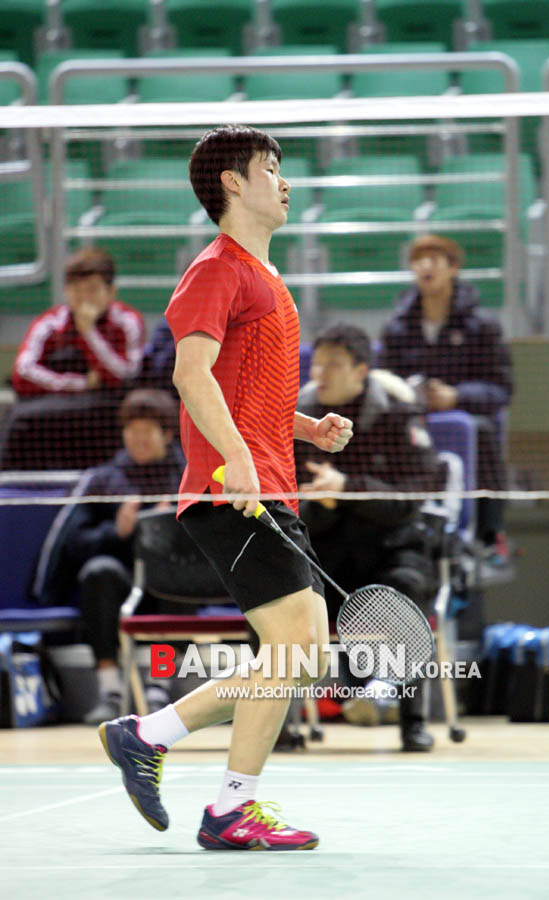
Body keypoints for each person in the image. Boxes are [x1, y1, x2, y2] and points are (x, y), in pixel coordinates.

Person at [98, 125, 353, 851]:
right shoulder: (216, 270)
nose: (285, 182)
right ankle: (224, 805)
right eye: (270, 169)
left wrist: (305, 429)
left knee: (301, 653)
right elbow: (190, 374)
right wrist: (238, 458)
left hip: (267, 483)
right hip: (231, 491)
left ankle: (151, 736)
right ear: (232, 183)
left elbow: (245, 391)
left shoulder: (267, 278)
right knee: (296, 647)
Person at [295, 322, 456, 751]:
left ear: (361, 371)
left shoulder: (397, 417)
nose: (321, 374)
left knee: (409, 587)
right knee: (277, 596)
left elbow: (415, 495)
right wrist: (322, 504)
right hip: (324, 556)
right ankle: (281, 726)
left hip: (390, 549)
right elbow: (286, 506)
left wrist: (349, 489)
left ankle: (411, 722)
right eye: (318, 364)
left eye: (334, 364)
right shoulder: (298, 421)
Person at [31, 389, 185, 723]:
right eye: (132, 430)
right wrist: (116, 531)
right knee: (97, 571)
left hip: (170, 587)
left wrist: (173, 530)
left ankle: (159, 687)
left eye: (147, 431)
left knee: (177, 579)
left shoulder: (187, 477)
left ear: (167, 434)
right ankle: (111, 690)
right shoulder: (104, 480)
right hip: (122, 585)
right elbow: (74, 543)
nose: (138, 439)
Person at [378, 234, 514, 565]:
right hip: (413, 417)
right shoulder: (397, 327)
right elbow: (383, 381)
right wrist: (411, 396)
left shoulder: (482, 326)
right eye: (418, 260)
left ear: (453, 268)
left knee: (481, 431)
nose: (425, 267)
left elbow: (501, 388)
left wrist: (456, 396)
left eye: (433, 260)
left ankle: (490, 534)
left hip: (465, 416)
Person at [2, 247, 145, 469]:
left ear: (111, 291)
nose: (84, 298)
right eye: (76, 290)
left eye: (92, 290)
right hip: (57, 404)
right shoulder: (50, 322)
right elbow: (22, 374)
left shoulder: (127, 321)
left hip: (106, 409)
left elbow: (125, 376)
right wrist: (80, 383)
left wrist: (88, 332)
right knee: (17, 419)